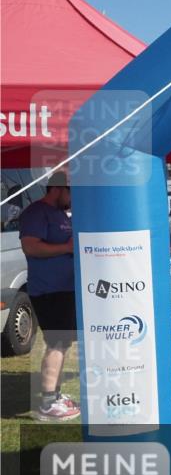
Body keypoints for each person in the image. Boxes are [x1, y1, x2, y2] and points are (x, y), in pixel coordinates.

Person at [19, 172, 78, 421]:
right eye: (70, 192)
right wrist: (66, 248)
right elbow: (30, 246)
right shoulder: (35, 213)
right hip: (48, 290)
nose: (72, 198)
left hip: (64, 289)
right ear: (58, 189)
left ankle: (54, 394)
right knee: (56, 343)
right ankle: (47, 402)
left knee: (62, 343)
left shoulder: (59, 214)